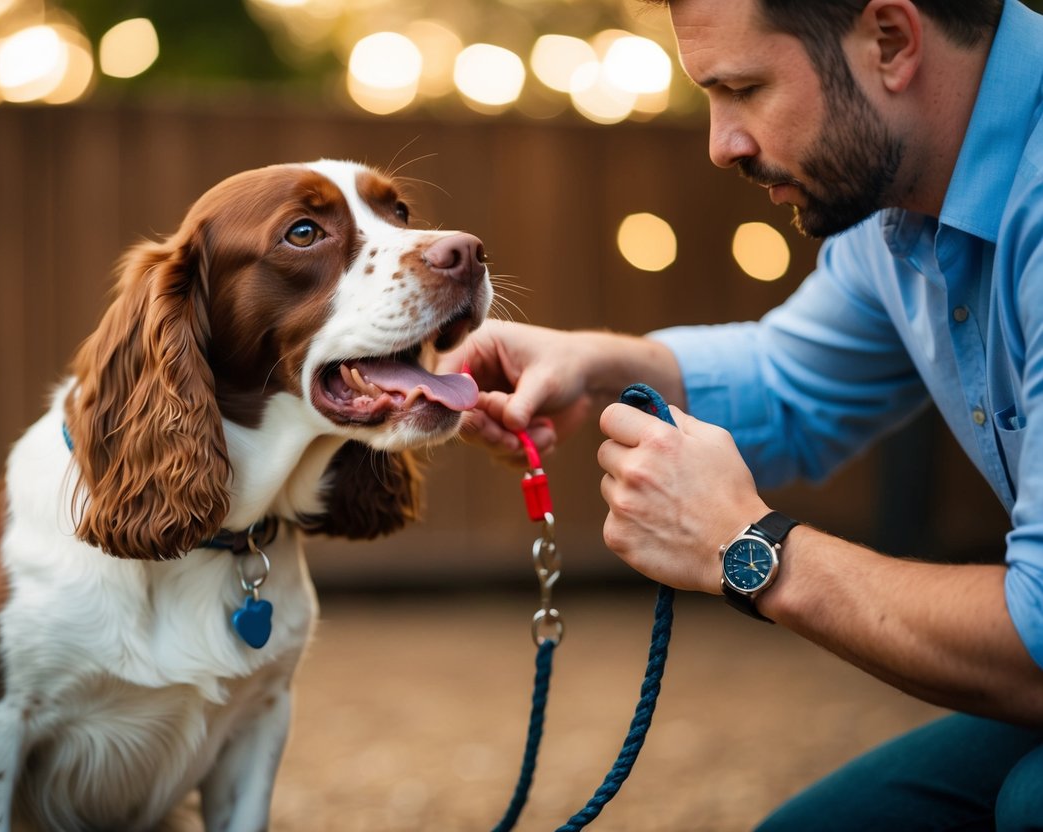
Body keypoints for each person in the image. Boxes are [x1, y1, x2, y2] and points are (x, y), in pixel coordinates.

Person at [439, 0, 1043, 828]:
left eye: (744, 88)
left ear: (891, 40)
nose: (723, 144)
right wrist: (596, 364)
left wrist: (748, 547)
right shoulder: (899, 199)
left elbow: (1037, 642)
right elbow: (796, 382)